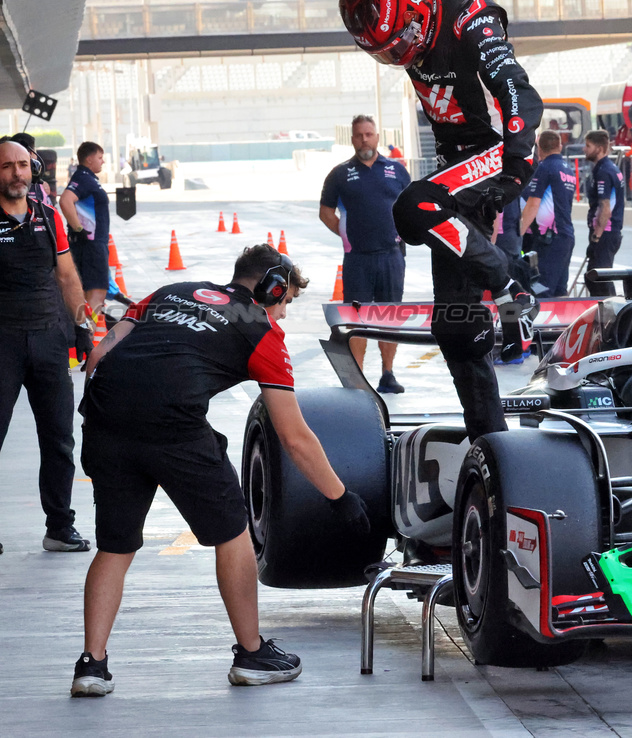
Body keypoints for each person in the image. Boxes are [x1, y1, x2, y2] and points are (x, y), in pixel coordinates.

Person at [268, 0, 542, 440]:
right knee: (454, 327)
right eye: (388, 51)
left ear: (421, 3)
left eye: (405, 42)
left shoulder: (472, 21)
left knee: (412, 206)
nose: (402, 56)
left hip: (500, 152)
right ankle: (490, 441)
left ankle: (513, 281)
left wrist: (513, 158)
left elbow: (516, 88)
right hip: (456, 170)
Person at [70, 245, 371, 697]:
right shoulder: (261, 330)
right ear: (271, 286)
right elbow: (294, 436)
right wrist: (339, 497)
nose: (284, 314)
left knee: (115, 546)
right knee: (233, 534)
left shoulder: (169, 291)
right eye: (285, 301)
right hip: (174, 428)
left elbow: (98, 359)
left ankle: (91, 667)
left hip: (106, 421)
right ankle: (251, 654)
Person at [0, 138, 94, 557]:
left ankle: (59, 527)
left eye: (22, 165)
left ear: (32, 169)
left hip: (49, 342)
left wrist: (83, 328)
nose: (16, 173)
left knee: (59, 439)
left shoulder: (49, 215)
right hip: (2, 345)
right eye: (6, 167)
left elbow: (68, 277)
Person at [319, 114, 411, 394]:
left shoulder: (397, 170)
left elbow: (411, 209)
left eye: (369, 134)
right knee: (356, 318)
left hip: (391, 256)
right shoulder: (340, 174)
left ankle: (388, 374)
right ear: (352, 139)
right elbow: (325, 213)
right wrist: (347, 235)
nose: (364, 139)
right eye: (359, 135)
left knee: (389, 316)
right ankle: (358, 380)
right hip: (357, 258)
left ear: (378, 137)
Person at [520, 129, 577, 297]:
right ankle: (562, 324)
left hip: (549, 239)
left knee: (541, 290)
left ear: (539, 148)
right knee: (560, 291)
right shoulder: (568, 169)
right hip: (566, 236)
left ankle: (541, 324)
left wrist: (519, 232)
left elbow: (533, 204)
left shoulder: (544, 168)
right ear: (559, 146)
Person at [60, 141, 111, 313]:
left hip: (90, 244)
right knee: (96, 292)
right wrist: (79, 229)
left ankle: (85, 333)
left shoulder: (85, 178)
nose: (102, 161)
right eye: (100, 157)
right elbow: (65, 200)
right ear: (89, 159)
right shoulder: (84, 178)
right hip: (91, 244)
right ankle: (90, 335)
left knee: (88, 292)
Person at [583, 130, 624, 296]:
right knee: (595, 278)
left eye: (588, 146)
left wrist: (596, 236)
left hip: (605, 233)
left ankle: (613, 316)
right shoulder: (609, 168)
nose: (584, 149)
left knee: (598, 279)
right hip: (609, 232)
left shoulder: (604, 172)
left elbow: (605, 207)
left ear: (599, 148)